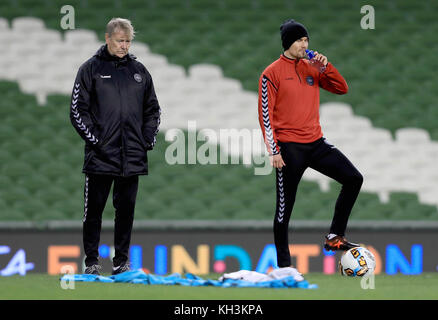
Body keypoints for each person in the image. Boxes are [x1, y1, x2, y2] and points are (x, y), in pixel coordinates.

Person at [258, 19, 363, 269]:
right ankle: (284, 269)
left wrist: (325, 67)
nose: (304, 44)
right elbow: (265, 115)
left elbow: (342, 88)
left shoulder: (312, 67)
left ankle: (334, 237)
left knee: (353, 178)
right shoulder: (271, 73)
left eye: (306, 40)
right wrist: (273, 150)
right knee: (284, 211)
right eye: (299, 40)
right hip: (289, 149)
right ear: (288, 43)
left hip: (315, 143)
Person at [70, 18, 161, 275]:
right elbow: (77, 111)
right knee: (94, 213)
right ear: (108, 38)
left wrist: (147, 139)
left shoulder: (140, 72)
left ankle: (121, 263)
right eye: (120, 41)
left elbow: (153, 110)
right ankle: (91, 263)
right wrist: (96, 141)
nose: (124, 46)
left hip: (132, 156)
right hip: (100, 157)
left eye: (128, 41)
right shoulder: (90, 69)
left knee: (125, 213)